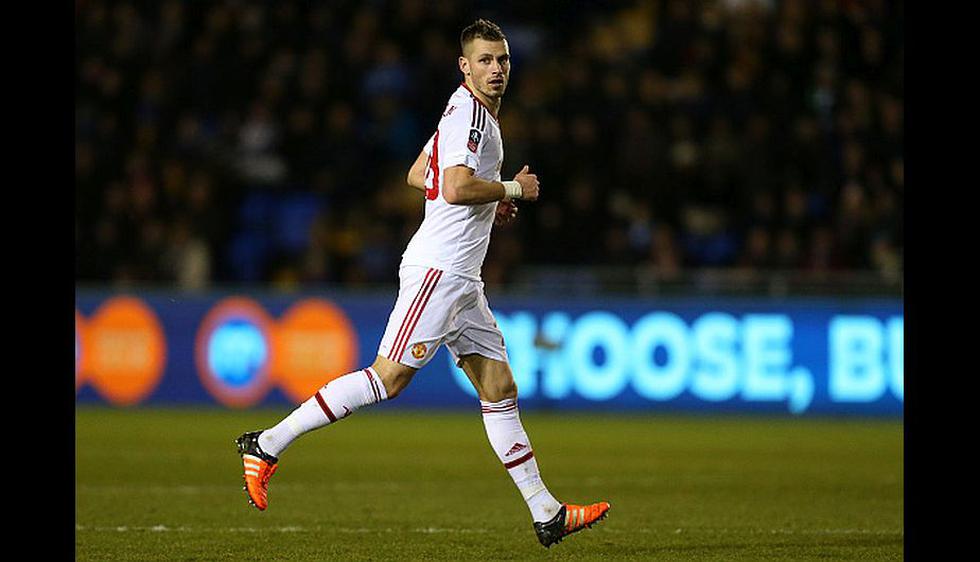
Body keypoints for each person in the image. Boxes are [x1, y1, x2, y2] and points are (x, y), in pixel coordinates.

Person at [236, 19, 609, 548]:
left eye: (502, 59)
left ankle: (547, 513)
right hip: (440, 269)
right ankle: (267, 443)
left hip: (462, 278)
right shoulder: (473, 119)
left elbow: (420, 174)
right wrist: (513, 190)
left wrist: (491, 198)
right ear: (465, 66)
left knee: (499, 388)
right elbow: (453, 188)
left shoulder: (463, 113)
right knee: (387, 379)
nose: (496, 69)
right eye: (485, 60)